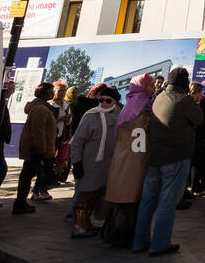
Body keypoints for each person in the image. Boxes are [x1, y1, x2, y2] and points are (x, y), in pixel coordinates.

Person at [132, 66, 202, 256]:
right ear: (185, 82)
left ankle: (139, 242)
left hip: (154, 157)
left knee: (147, 201)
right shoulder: (184, 99)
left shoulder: (159, 97)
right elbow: (199, 118)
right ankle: (159, 244)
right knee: (167, 202)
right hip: (175, 157)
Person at [102, 72, 156, 247]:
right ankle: (123, 237)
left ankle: (117, 234)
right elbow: (138, 139)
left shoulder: (129, 105)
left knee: (122, 201)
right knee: (129, 201)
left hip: (122, 159)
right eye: (150, 84)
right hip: (133, 162)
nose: (154, 87)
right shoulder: (141, 108)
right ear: (142, 86)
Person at [69, 85, 122, 238]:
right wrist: (76, 162)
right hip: (89, 164)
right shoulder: (91, 116)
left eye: (108, 100)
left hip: (106, 165)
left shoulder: (119, 116)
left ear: (115, 102)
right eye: (102, 100)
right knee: (84, 194)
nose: (104, 103)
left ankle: (86, 222)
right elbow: (77, 141)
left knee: (96, 195)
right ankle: (78, 226)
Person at [14, 84, 57, 215]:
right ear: (44, 94)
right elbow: (38, 132)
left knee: (27, 175)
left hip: (36, 149)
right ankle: (20, 204)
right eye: (51, 91)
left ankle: (20, 203)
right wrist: (42, 151)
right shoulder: (41, 109)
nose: (52, 94)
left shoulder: (42, 107)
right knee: (27, 176)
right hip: (36, 150)